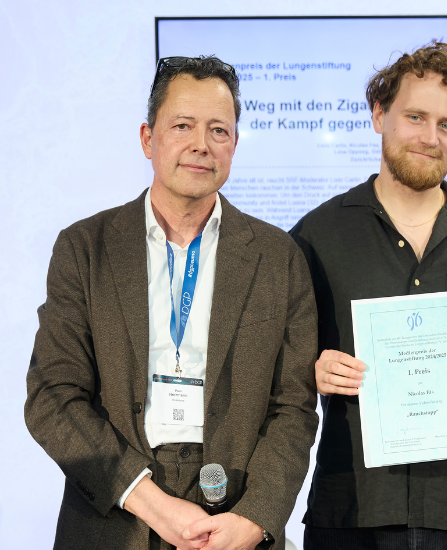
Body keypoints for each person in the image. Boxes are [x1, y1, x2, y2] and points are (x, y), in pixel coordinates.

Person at [25, 56, 319, 550]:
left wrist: (254, 519)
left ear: (234, 145)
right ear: (148, 138)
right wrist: (149, 501)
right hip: (114, 512)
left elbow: (294, 406)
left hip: (234, 515)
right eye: (182, 126)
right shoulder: (86, 248)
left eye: (218, 130)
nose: (201, 144)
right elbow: (52, 395)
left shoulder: (278, 257)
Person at [289, 42, 447, 550]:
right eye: (415, 117)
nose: (430, 138)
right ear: (379, 116)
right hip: (351, 508)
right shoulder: (316, 235)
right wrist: (311, 370)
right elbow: (276, 364)